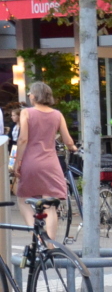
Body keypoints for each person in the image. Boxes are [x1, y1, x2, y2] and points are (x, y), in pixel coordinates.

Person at [12, 82, 78, 237]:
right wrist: (73, 148)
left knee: (22, 199)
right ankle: (49, 246)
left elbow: (22, 139)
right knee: (49, 205)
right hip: (51, 163)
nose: (28, 96)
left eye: (29, 93)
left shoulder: (27, 113)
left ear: (34, 96)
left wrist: (17, 162)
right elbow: (68, 141)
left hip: (31, 162)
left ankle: (36, 237)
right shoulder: (57, 115)